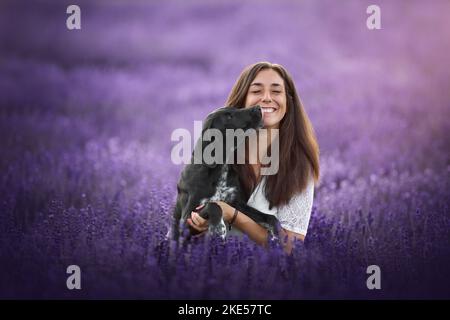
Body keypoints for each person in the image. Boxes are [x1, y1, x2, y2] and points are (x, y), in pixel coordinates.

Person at [187, 61, 320, 254]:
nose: (266, 98)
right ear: (242, 101)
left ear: (288, 102)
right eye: (256, 91)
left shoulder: (299, 167)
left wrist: (230, 213)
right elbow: (188, 212)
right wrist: (195, 225)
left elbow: (290, 247)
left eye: (276, 91)